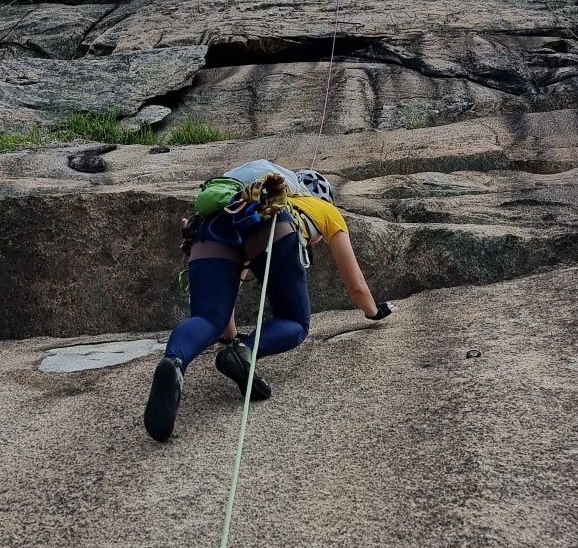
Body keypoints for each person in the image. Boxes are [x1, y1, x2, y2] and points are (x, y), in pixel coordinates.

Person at [143, 163, 393, 442]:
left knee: (209, 317)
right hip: (270, 219)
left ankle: (174, 361)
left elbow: (229, 294)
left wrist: (231, 338)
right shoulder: (325, 211)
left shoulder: (242, 196)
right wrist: (374, 312)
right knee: (295, 321)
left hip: (209, 224)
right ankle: (247, 352)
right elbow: (356, 284)